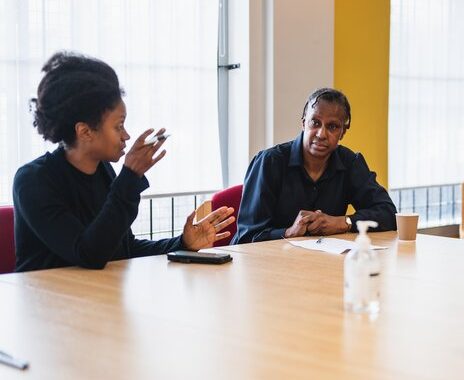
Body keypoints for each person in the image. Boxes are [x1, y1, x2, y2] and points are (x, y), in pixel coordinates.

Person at [13, 51, 235, 272]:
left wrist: (183, 244)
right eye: (118, 126)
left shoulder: (103, 171)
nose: (126, 136)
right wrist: (129, 177)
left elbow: (123, 250)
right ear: (85, 131)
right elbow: (88, 254)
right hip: (47, 301)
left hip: (95, 297)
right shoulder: (33, 181)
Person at [233, 88, 397, 244]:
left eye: (332, 126)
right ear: (304, 124)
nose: (321, 134)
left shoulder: (350, 162)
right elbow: (247, 237)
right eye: (315, 123)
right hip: (264, 265)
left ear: (343, 133)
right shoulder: (269, 162)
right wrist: (289, 232)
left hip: (320, 263)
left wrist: (343, 222)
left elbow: (388, 213)